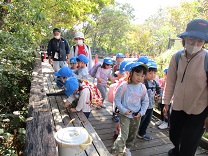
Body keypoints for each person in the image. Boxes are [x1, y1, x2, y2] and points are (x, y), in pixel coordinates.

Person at [163, 19, 208, 156]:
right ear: (184, 38)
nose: (195, 44)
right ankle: (176, 151)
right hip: (178, 106)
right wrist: (166, 102)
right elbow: (170, 82)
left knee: (189, 145)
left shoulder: (206, 59)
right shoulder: (176, 57)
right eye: (191, 39)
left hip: (199, 110)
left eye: (199, 41)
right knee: (174, 136)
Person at [111, 62, 149, 156]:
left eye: (142, 75)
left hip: (137, 115)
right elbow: (117, 99)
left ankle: (127, 148)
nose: (139, 78)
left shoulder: (142, 87)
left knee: (132, 134)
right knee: (123, 135)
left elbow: (145, 101)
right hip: (125, 115)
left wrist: (142, 112)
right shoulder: (124, 86)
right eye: (137, 74)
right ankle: (116, 151)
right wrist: (123, 110)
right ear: (131, 73)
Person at [137, 60, 162, 140]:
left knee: (147, 121)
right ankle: (134, 132)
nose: (153, 75)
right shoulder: (143, 82)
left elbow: (159, 90)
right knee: (140, 120)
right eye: (150, 73)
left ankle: (141, 133)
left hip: (151, 106)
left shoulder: (155, 82)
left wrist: (159, 95)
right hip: (143, 106)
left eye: (154, 73)